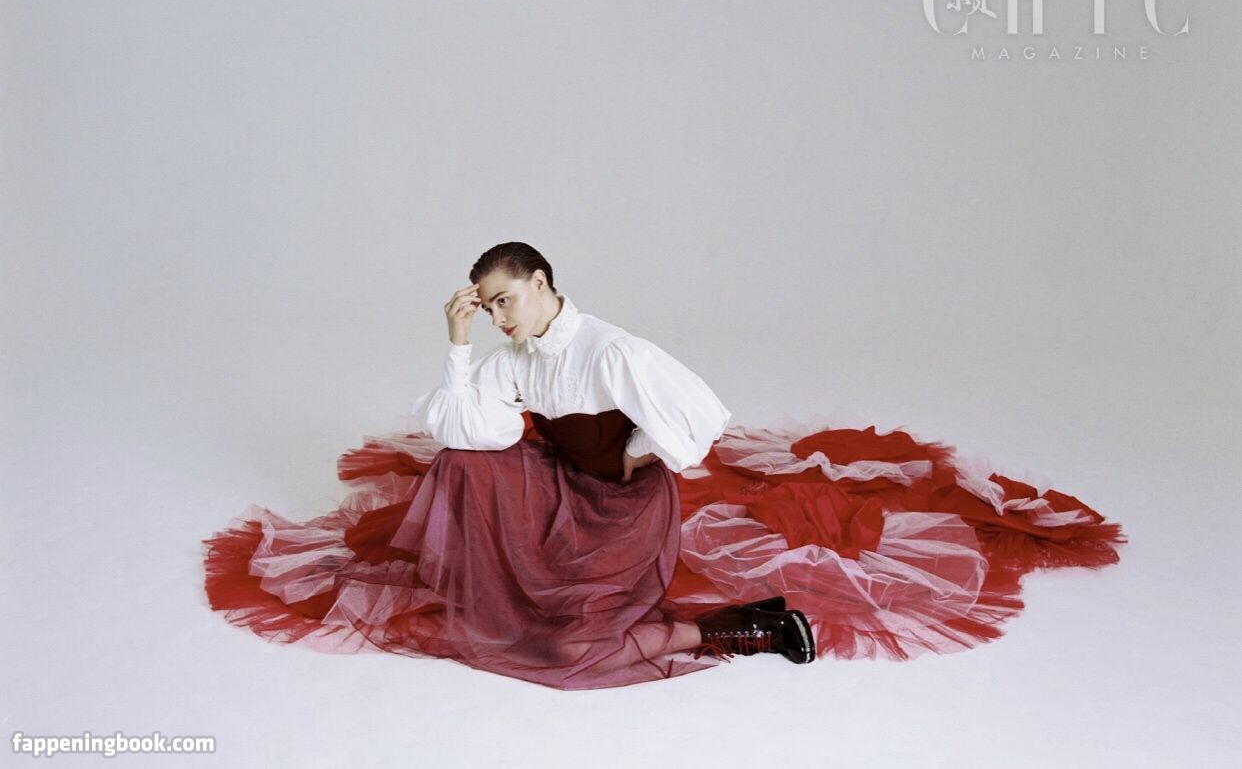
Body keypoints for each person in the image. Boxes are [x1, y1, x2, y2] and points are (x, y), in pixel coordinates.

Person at [203, 242, 1126, 690]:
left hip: (622, 509)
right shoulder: (511, 354)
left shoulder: (613, 351)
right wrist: (456, 344)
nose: (500, 316)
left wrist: (629, 454)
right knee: (463, 464)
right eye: (486, 307)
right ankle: (528, 586)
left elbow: (698, 423)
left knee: (566, 651)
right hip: (563, 492)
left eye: (505, 299)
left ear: (543, 283)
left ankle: (747, 627)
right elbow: (466, 428)